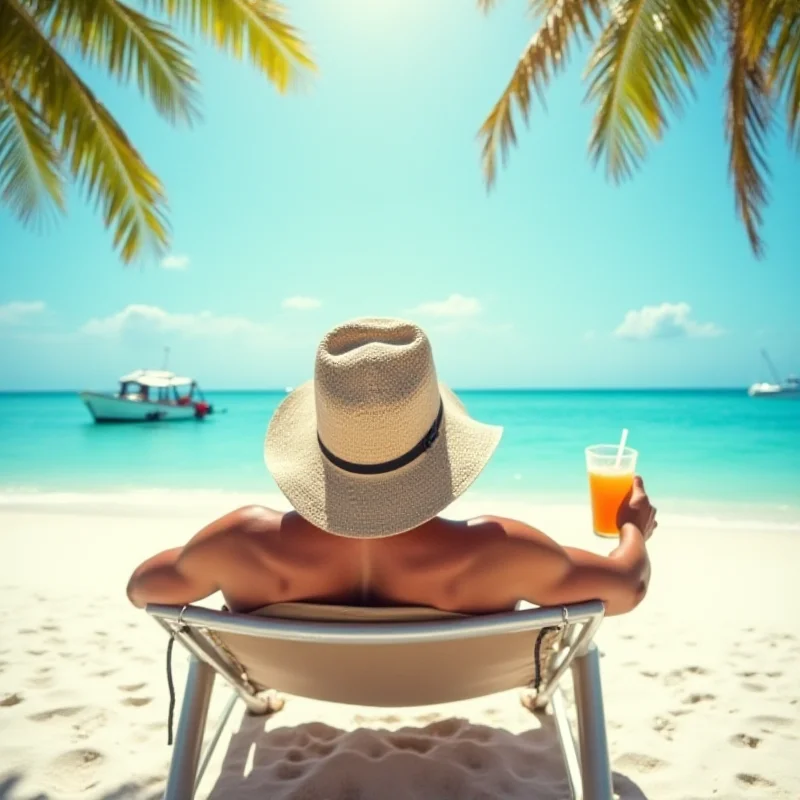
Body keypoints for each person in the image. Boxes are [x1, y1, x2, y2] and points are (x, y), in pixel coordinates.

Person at [127, 318, 656, 616]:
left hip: (298, 676)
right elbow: (625, 587)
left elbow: (144, 588)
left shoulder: (241, 542)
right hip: (457, 680)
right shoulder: (500, 551)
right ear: (441, 443)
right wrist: (632, 531)